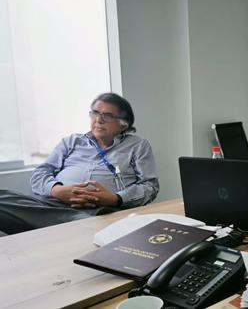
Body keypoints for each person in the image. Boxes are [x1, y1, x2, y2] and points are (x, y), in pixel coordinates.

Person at [0, 93, 159, 235]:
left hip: (99, 210)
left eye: (107, 115)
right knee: (3, 197)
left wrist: (114, 198)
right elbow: (40, 174)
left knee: (92, 220)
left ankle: (61, 225)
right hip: (52, 204)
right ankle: (69, 225)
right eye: (95, 113)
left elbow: (150, 186)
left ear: (124, 123)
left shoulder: (137, 146)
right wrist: (57, 190)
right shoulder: (72, 141)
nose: (99, 120)